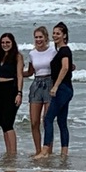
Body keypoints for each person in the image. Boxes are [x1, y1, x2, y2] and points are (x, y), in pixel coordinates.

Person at [35, 22, 74, 159]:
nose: (55, 36)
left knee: (48, 118)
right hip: (67, 88)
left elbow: (65, 68)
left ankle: (45, 151)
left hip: (62, 89)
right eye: (54, 33)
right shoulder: (61, 51)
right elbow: (67, 66)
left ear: (64, 35)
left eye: (58, 33)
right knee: (62, 122)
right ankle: (64, 153)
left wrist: (56, 86)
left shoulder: (64, 50)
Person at [23, 26, 56, 155]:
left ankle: (47, 150)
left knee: (47, 120)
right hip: (36, 84)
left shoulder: (53, 51)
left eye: (40, 37)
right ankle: (38, 151)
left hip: (49, 83)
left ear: (46, 37)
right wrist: (16, 73)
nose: (38, 39)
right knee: (34, 122)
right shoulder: (32, 53)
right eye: (36, 37)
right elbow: (30, 72)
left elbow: (61, 66)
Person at [0, 32, 24, 155]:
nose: (5, 44)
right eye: (3, 42)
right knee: (2, 122)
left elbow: (20, 75)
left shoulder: (17, 56)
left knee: (8, 122)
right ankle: (8, 151)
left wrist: (19, 93)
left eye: (8, 42)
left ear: (12, 43)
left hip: (11, 89)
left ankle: (13, 152)